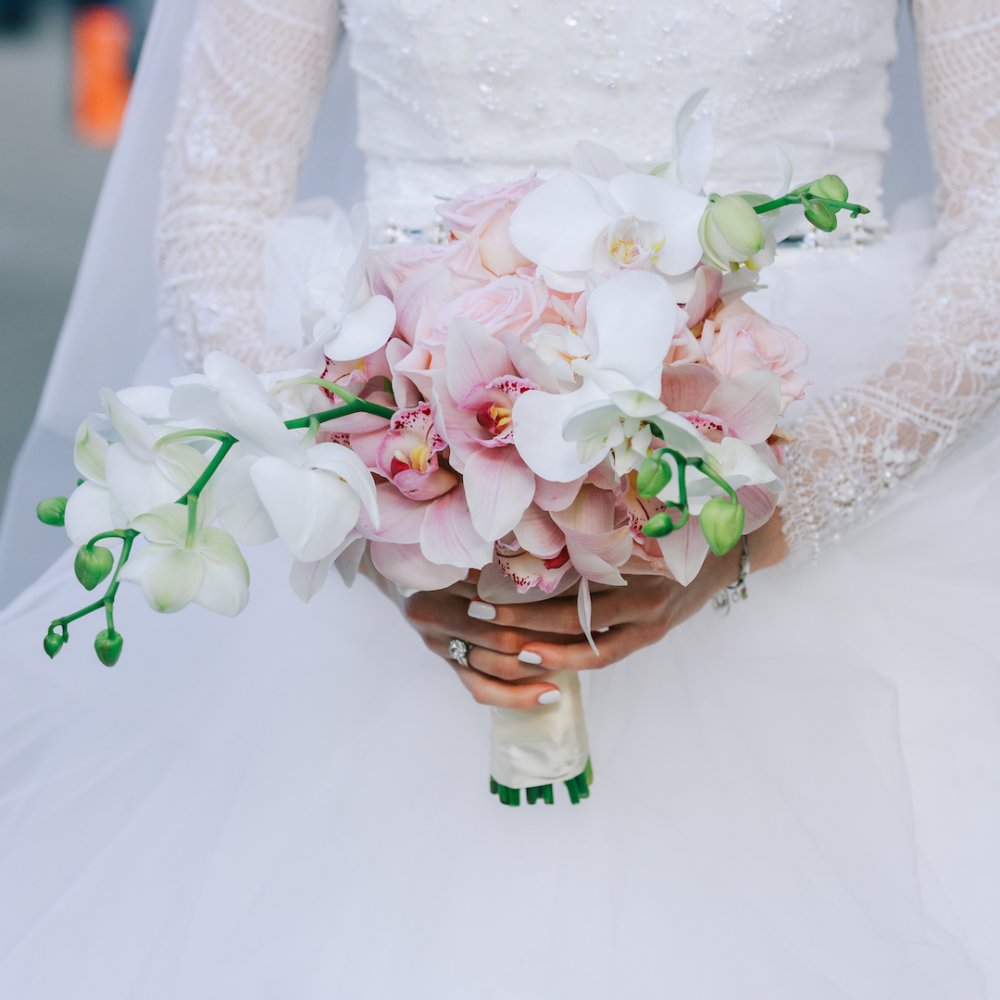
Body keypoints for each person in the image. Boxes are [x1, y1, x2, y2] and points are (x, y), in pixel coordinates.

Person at [1, 0, 998, 996]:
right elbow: (216, 208)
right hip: (405, 411)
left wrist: (779, 505)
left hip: (796, 427)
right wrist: (360, 487)